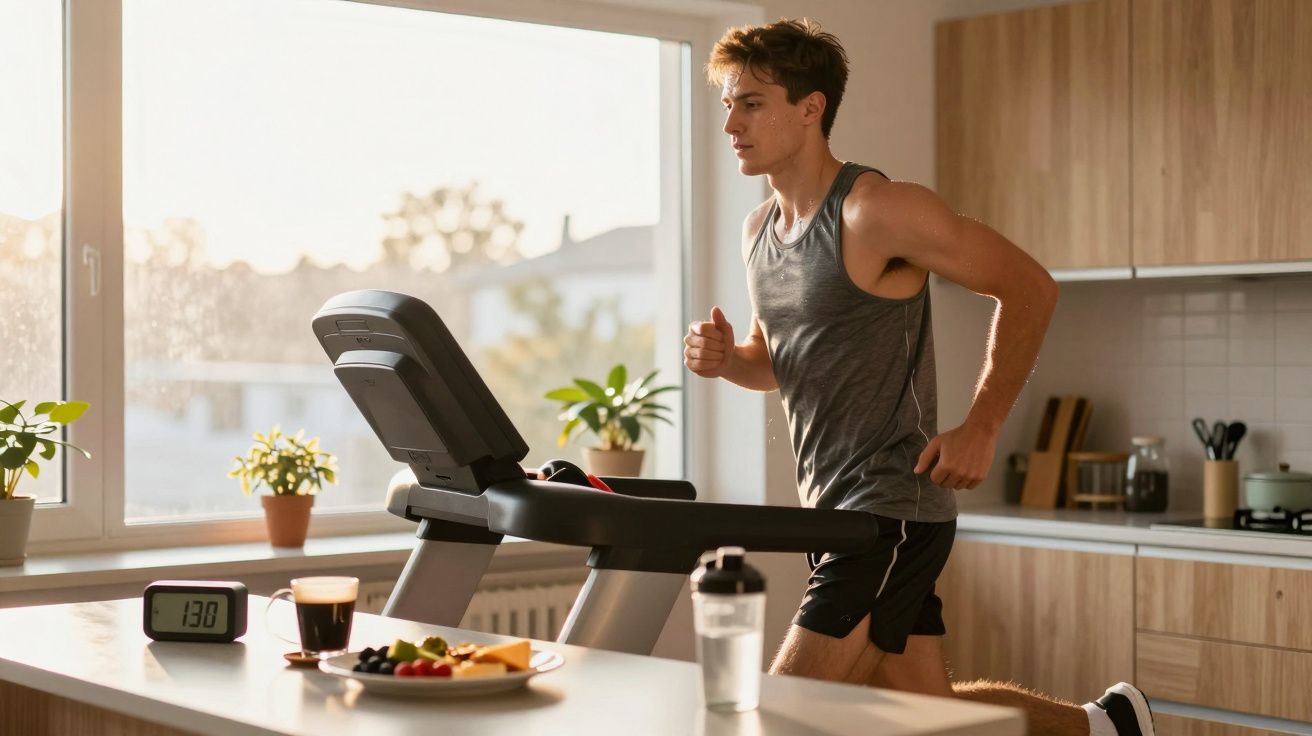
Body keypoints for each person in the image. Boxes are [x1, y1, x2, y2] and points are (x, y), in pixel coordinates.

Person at [683, 18, 1153, 736]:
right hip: (832, 512)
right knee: (930, 721)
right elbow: (777, 363)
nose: (730, 123)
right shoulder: (759, 232)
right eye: (726, 103)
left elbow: (1030, 287)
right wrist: (727, 361)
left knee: (781, 714)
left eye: (750, 102)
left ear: (810, 108)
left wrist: (982, 425)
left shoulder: (877, 211)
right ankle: (1106, 725)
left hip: (890, 509)